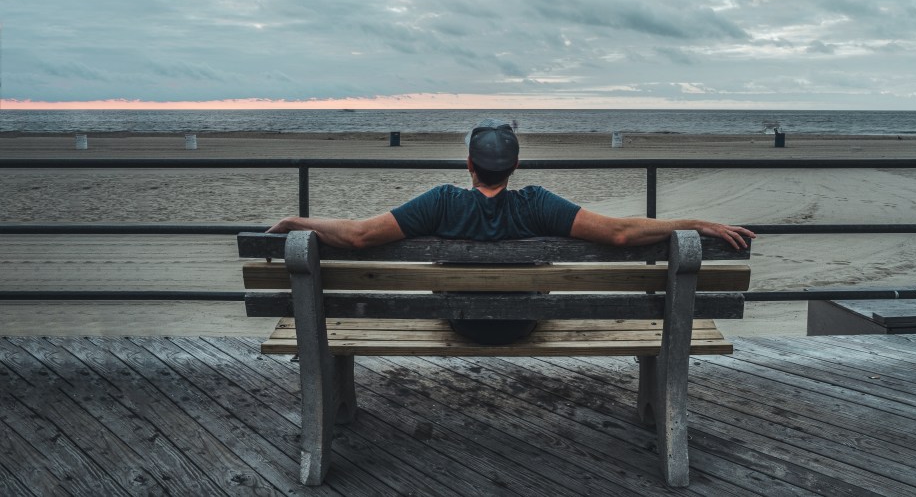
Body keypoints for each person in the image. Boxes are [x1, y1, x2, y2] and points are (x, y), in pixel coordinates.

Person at [268, 119, 755, 343]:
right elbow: (623, 234)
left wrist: (298, 222)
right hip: (524, 323)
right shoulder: (538, 204)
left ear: (469, 165)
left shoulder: (441, 202)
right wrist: (691, 222)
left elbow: (356, 237)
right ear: (515, 166)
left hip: (460, 322)